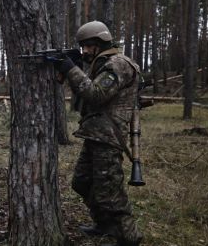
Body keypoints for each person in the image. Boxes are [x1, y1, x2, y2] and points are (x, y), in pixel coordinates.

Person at [52, 21, 143, 246]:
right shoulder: (102, 63)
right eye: (82, 47)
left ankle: (129, 237)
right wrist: (71, 67)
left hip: (109, 137)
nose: (84, 51)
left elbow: (95, 94)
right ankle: (104, 225)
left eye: (87, 46)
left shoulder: (118, 65)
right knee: (81, 183)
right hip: (95, 134)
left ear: (100, 43)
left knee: (109, 192)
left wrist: (69, 68)